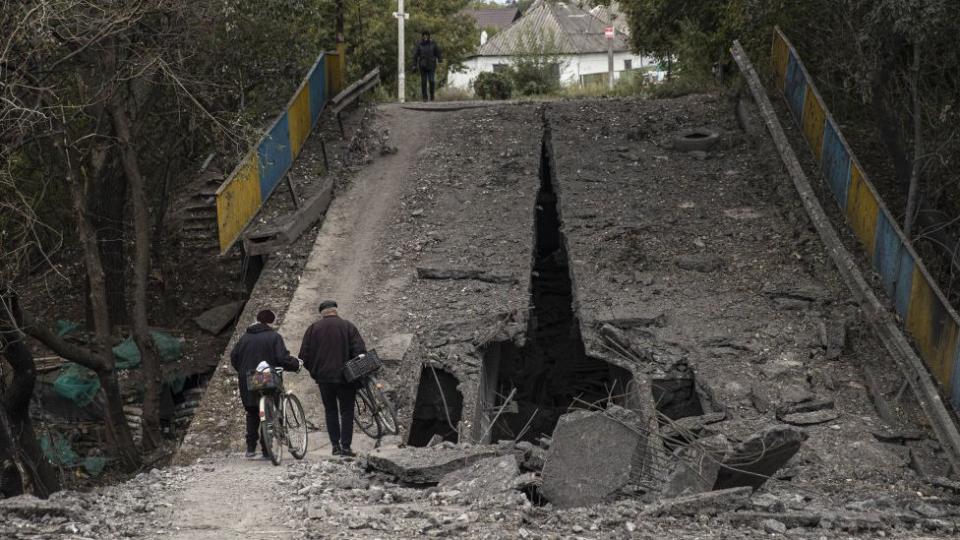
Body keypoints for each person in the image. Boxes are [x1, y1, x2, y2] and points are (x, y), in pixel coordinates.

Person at [298, 300, 367, 457]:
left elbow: (303, 357)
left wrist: (316, 372)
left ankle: (335, 446)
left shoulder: (312, 329)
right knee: (347, 412)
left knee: (330, 411)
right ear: (335, 310)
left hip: (324, 379)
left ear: (322, 313)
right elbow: (360, 351)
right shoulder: (348, 326)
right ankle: (346, 448)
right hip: (346, 378)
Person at [230, 309, 301, 458]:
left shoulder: (245, 338)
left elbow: (234, 357)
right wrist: (295, 365)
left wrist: (243, 371)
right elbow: (282, 358)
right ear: (271, 322)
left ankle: (250, 449)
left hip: (248, 379)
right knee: (269, 412)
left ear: (257, 320)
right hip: (268, 378)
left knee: (252, 412)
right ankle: (265, 450)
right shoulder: (274, 337)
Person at [413, 31, 442, 102]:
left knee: (432, 81)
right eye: (424, 36)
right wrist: (414, 64)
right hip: (422, 66)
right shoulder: (419, 45)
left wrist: (440, 60)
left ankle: (432, 95)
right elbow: (415, 55)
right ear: (422, 37)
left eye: (426, 35)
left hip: (432, 65)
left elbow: (438, 52)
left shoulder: (433, 44)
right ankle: (425, 97)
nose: (425, 37)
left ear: (429, 36)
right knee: (423, 82)